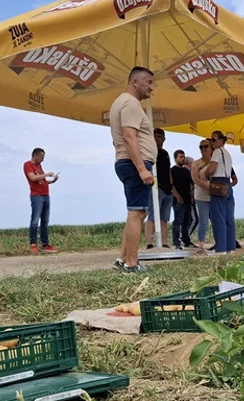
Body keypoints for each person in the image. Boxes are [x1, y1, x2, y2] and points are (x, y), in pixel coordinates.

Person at [110, 66, 156, 272]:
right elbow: (129, 136)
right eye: (149, 82)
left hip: (126, 162)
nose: (151, 87)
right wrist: (142, 169)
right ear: (135, 82)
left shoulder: (120, 102)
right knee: (137, 213)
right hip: (134, 163)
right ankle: (132, 264)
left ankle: (123, 259)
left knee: (136, 212)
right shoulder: (130, 103)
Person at [24, 147, 60, 254]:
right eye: (41, 157)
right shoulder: (28, 165)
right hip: (37, 196)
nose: (43, 160)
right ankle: (33, 244)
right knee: (35, 221)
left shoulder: (39, 166)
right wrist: (46, 174)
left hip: (45, 195)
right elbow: (33, 178)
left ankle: (46, 245)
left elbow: (41, 181)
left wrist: (52, 181)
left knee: (45, 221)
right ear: (35, 155)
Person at [205, 130, 236, 254]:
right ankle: (230, 247)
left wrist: (206, 173)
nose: (211, 142)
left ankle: (221, 247)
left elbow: (212, 168)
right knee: (229, 217)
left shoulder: (217, 152)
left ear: (220, 140)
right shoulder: (227, 154)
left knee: (218, 217)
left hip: (218, 183)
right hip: (227, 184)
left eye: (213, 140)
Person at [145, 128, 173, 248]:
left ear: (164, 138)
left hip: (167, 189)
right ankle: (149, 243)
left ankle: (164, 242)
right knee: (152, 215)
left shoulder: (165, 153)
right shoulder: (149, 152)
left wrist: (172, 186)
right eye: (155, 135)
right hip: (155, 187)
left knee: (164, 218)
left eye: (159, 135)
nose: (157, 137)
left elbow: (168, 171)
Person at [191, 139, 212, 253]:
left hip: (214, 196)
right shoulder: (196, 163)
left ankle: (219, 242)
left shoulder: (215, 162)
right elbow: (195, 179)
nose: (204, 149)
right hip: (201, 196)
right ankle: (201, 245)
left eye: (206, 146)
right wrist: (208, 187)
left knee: (216, 220)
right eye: (201, 147)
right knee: (203, 220)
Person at [170, 149, 194, 249]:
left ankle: (186, 241)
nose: (183, 159)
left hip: (188, 199)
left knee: (187, 221)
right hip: (178, 200)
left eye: (183, 157)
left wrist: (192, 196)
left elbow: (191, 184)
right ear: (175, 158)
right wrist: (177, 196)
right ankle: (176, 242)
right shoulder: (172, 171)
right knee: (177, 221)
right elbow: (171, 185)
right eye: (180, 157)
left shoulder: (186, 171)